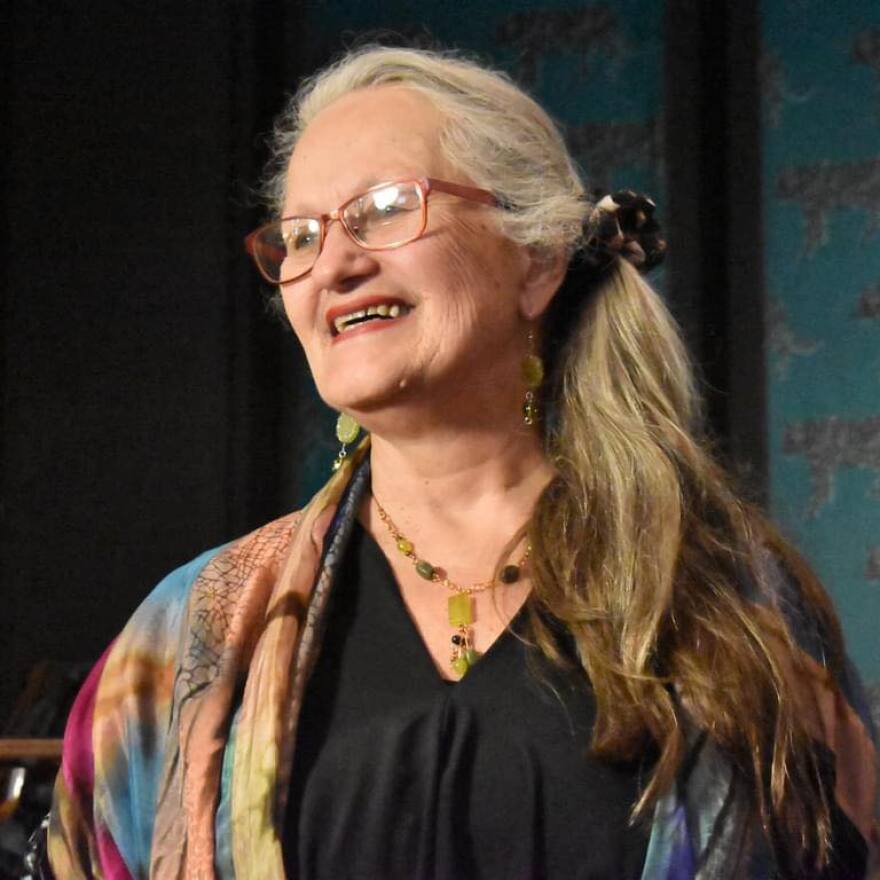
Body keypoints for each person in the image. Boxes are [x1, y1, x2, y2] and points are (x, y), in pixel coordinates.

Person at [37, 45, 876, 880]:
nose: (334, 263)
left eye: (387, 207)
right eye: (300, 235)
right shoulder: (191, 633)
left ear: (538, 261)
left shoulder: (732, 606)